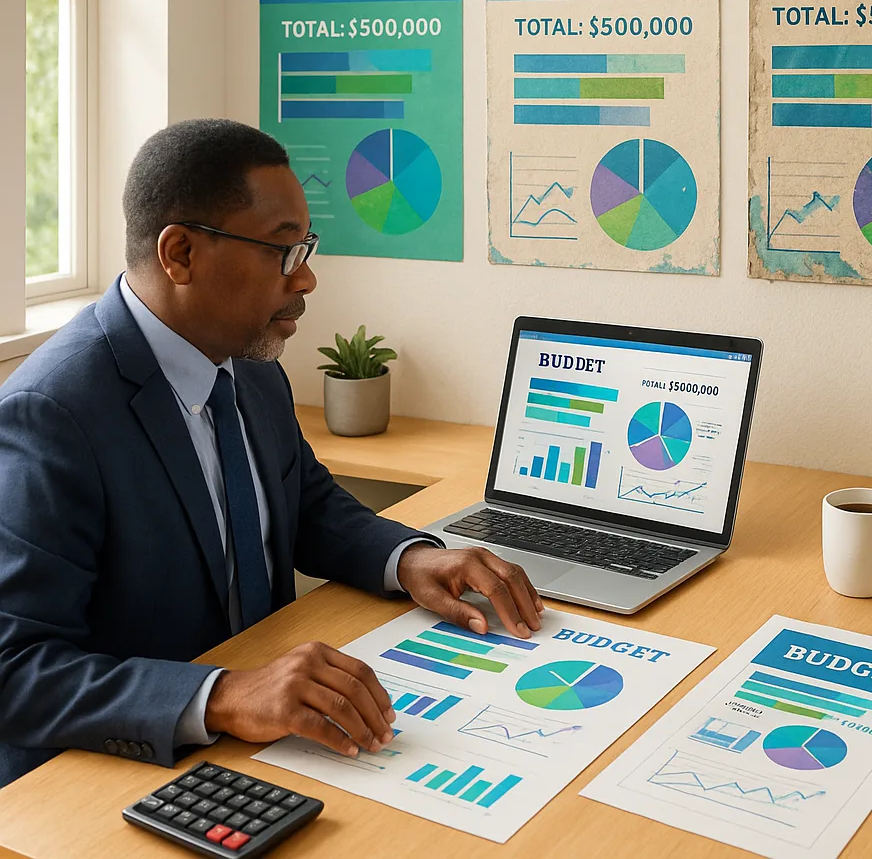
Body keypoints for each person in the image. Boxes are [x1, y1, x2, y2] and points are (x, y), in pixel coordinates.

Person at [0, 118, 543, 788]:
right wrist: (224, 695)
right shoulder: (52, 414)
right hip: (125, 774)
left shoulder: (250, 364)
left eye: (305, 247)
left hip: (275, 745)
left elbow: (305, 506)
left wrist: (409, 558)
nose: (308, 278)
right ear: (181, 255)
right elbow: (16, 668)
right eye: (282, 251)